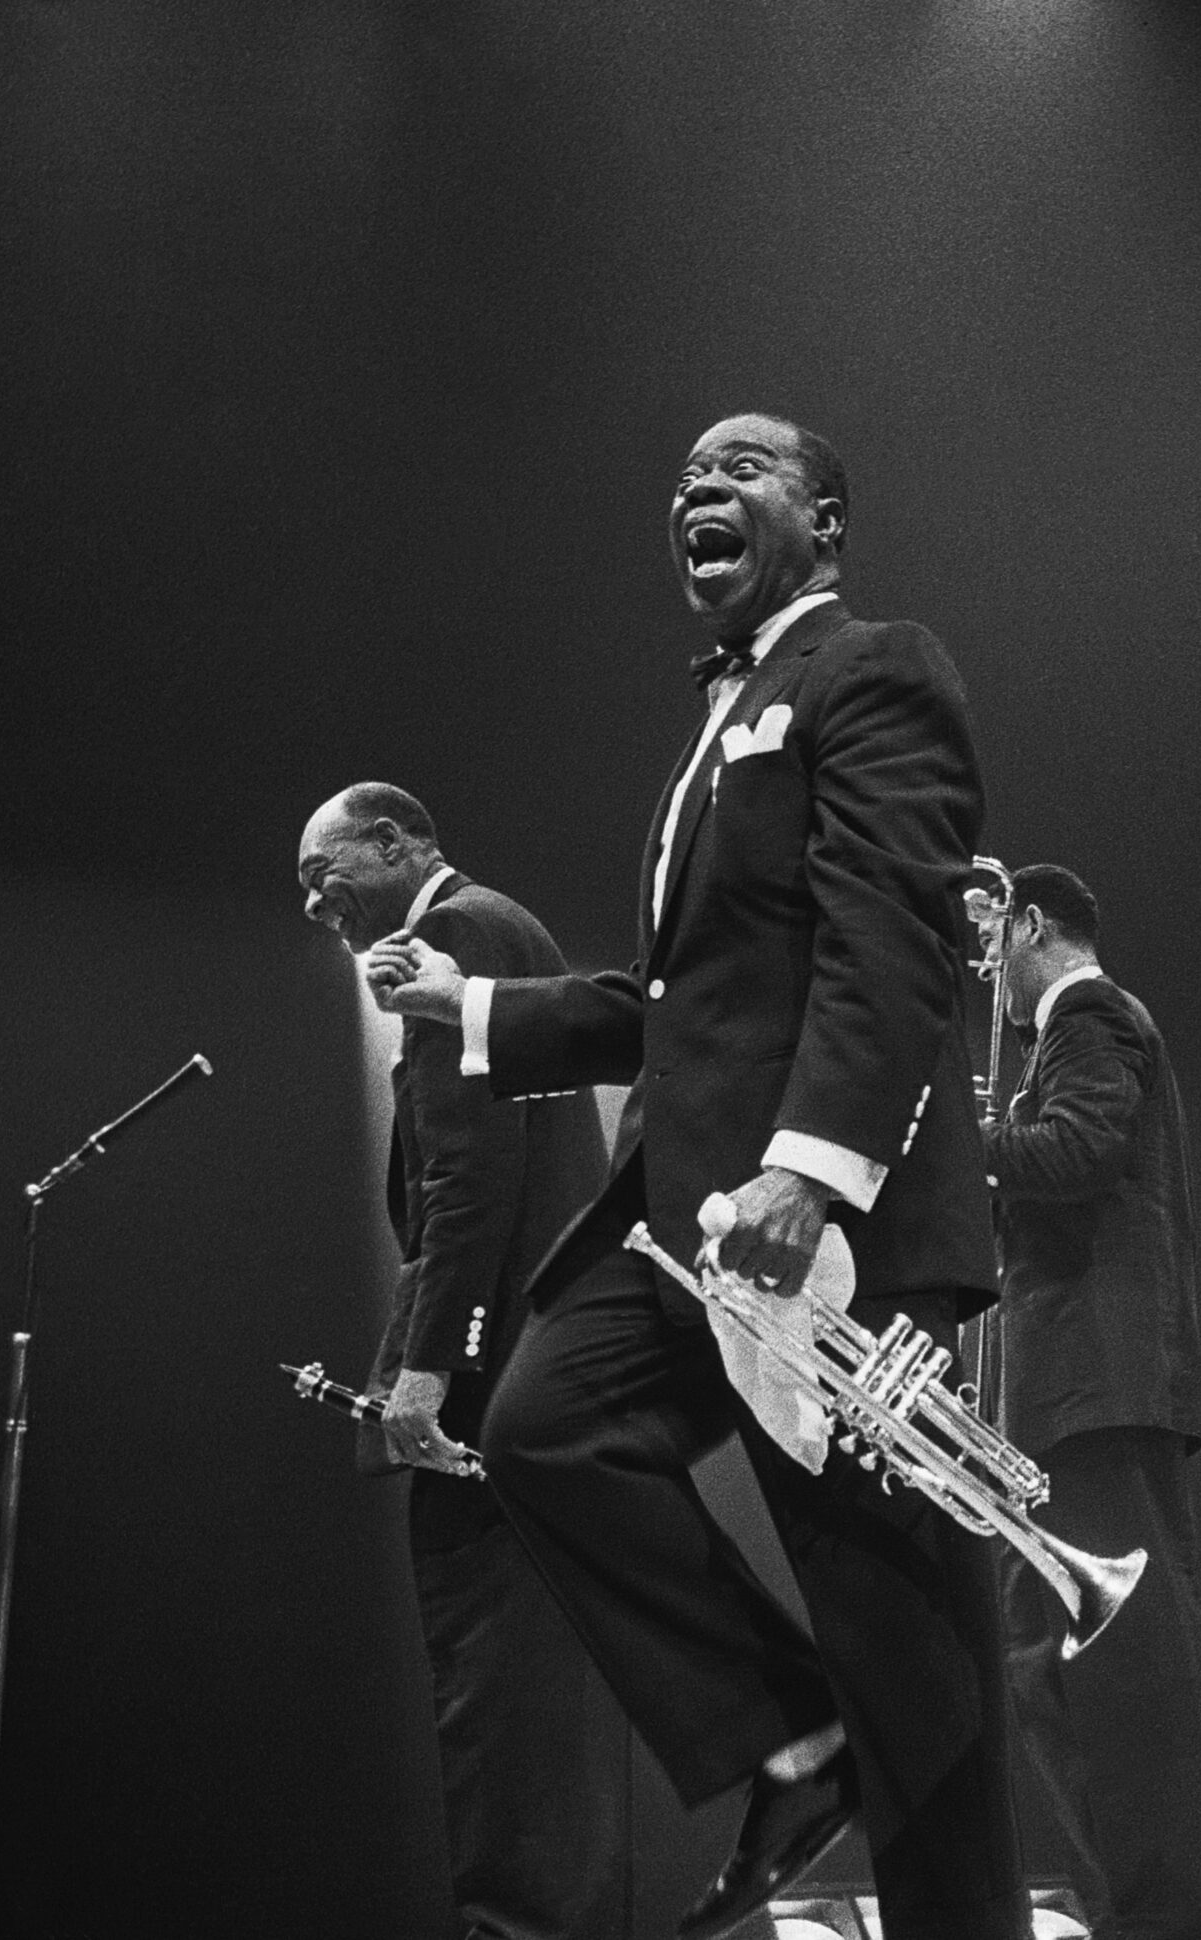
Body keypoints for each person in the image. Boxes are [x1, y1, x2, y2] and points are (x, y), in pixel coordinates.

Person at [368, 414, 1024, 1940]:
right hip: (687, 1227)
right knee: (541, 1424)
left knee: (910, 1655)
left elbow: (890, 938)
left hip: (830, 1232)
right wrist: (466, 1009)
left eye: (740, 467)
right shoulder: (722, 726)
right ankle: (790, 1744)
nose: (697, 489)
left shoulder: (875, 668)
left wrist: (812, 1173)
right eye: (681, 478)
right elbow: (684, 1006)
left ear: (828, 520)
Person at [295, 782, 628, 1940]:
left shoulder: (458, 933)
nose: (311, 902)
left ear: (394, 843)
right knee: (543, 1699)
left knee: (501, 1694)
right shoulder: (500, 927)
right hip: (546, 1374)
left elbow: (469, 1177)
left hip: (491, 1391)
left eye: (323, 869)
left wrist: (428, 1368)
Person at [975, 865, 1201, 1940]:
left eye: (996, 940)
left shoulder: (1085, 1009)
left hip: (1091, 1384)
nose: (989, 969)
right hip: (1085, 1385)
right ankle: (1143, 1909)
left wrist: (964, 1140)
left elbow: (1080, 1152)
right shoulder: (1088, 1021)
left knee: (1115, 1674)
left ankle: (1171, 1917)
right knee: (1046, 1655)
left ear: (1031, 923)